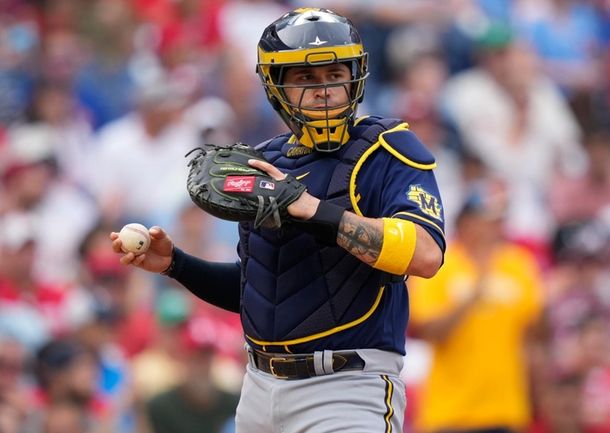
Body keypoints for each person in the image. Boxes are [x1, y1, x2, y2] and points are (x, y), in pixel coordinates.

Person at [111, 7, 445, 433]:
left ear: (356, 76)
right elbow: (263, 293)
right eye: (305, 78)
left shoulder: (386, 150)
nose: (324, 90)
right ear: (276, 85)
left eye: (335, 74)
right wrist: (177, 264)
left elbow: (426, 255)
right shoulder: (262, 163)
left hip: (347, 387)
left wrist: (314, 211)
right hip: (258, 390)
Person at [408, 180, 542, 433]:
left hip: (506, 410)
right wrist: (473, 295)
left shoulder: (519, 265)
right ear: (466, 223)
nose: (497, 228)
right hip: (450, 413)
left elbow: (534, 335)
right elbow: (428, 330)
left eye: (500, 220)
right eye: (489, 220)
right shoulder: (440, 265)